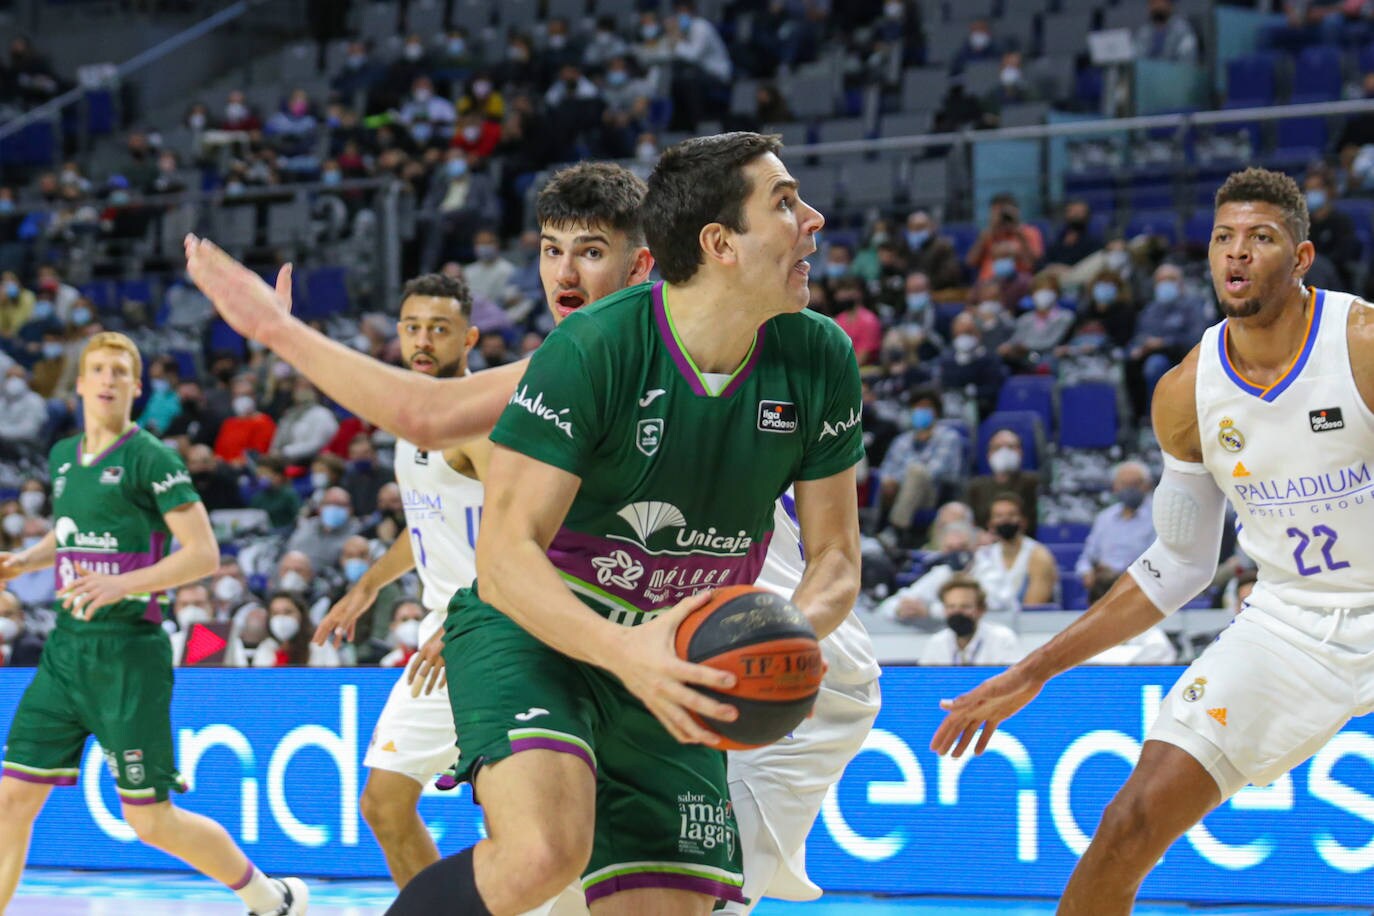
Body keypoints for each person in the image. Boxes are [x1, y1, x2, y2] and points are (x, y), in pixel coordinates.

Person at [187, 134, 868, 915]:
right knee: (542, 851)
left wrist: (788, 632)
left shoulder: (817, 358)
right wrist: (280, 336)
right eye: (785, 203)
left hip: (697, 649)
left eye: (590, 251)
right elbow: (452, 459)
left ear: (645, 259)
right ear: (717, 244)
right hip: (549, 630)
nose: (813, 218)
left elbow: (838, 559)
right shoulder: (594, 348)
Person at [932, 167, 1374, 914]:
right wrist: (1035, 669)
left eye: (1261, 239)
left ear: (1300, 259)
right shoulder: (1186, 390)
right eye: (1223, 238)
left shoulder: (1359, 343)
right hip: (1291, 622)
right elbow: (1176, 564)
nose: (1236, 255)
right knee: (1127, 824)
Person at [0, 332, 306, 914]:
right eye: (99, 370)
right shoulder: (64, 456)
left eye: (121, 371)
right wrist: (26, 561)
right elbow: (68, 534)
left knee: (151, 821)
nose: (109, 380)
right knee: (11, 799)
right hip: (65, 652)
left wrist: (121, 583)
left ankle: (270, 900)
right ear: (82, 383)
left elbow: (204, 554)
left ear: (137, 387)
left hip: (128, 656)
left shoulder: (151, 458)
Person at [313, 272, 488, 890]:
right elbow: (424, 520)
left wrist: (475, 617)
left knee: (525, 826)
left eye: (439, 330)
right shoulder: (412, 424)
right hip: (443, 636)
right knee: (383, 805)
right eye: (412, 327)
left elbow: (530, 534)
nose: (422, 340)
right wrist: (367, 587)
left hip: (502, 630)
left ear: (467, 339)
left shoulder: (477, 421)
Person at [917, 576, 1023, 666]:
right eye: (951, 607)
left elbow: (1014, 684)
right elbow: (924, 686)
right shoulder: (936, 643)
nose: (957, 612)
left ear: (981, 610)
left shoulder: (1002, 639)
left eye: (965, 606)